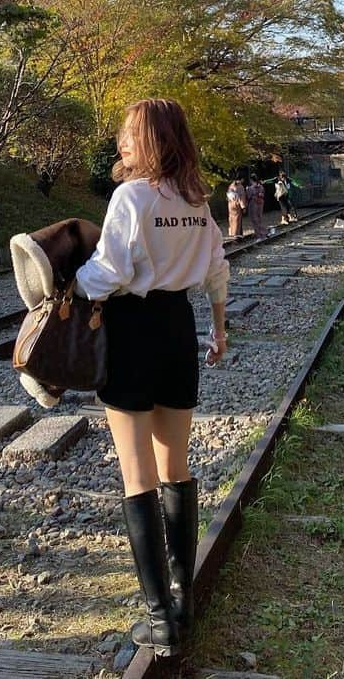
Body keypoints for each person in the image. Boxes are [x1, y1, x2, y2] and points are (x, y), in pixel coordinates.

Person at [75, 99, 230, 656]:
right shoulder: (196, 200)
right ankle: (183, 601)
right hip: (178, 329)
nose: (121, 145)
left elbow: (110, 272)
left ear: (148, 141)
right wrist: (219, 329)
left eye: (127, 136)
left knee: (135, 471)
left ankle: (157, 618)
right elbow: (217, 268)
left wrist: (74, 281)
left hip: (133, 332)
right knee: (176, 466)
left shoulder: (131, 197)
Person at [245, 174, 266, 238]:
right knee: (259, 218)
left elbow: (248, 196)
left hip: (253, 204)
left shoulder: (250, 188)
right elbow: (263, 194)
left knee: (254, 219)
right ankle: (263, 232)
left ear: (251, 180)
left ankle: (259, 233)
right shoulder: (261, 187)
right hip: (260, 203)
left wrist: (246, 190)